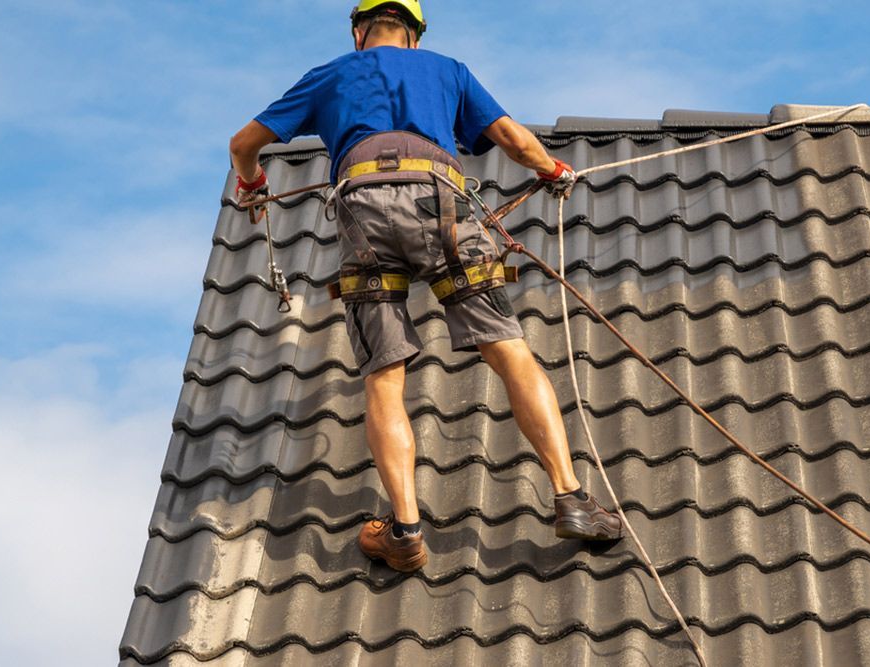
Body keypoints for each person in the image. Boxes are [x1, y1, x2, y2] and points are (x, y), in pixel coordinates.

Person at [229, 0, 621, 573]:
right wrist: (554, 171)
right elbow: (514, 139)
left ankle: (406, 532)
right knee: (509, 351)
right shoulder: (448, 70)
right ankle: (570, 498)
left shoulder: (330, 74)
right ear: (415, 37)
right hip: (440, 204)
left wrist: (254, 184)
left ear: (358, 32)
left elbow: (243, 144)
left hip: (362, 213)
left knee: (386, 377)